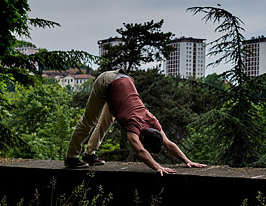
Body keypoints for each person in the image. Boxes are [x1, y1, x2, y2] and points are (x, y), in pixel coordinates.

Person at [65, 69, 207, 175]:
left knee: (106, 121)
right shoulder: (134, 126)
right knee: (90, 121)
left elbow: (169, 144)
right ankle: (71, 157)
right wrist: (157, 167)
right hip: (106, 81)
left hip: (124, 82)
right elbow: (140, 150)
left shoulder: (152, 122)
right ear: (142, 138)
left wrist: (187, 161)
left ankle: (89, 154)